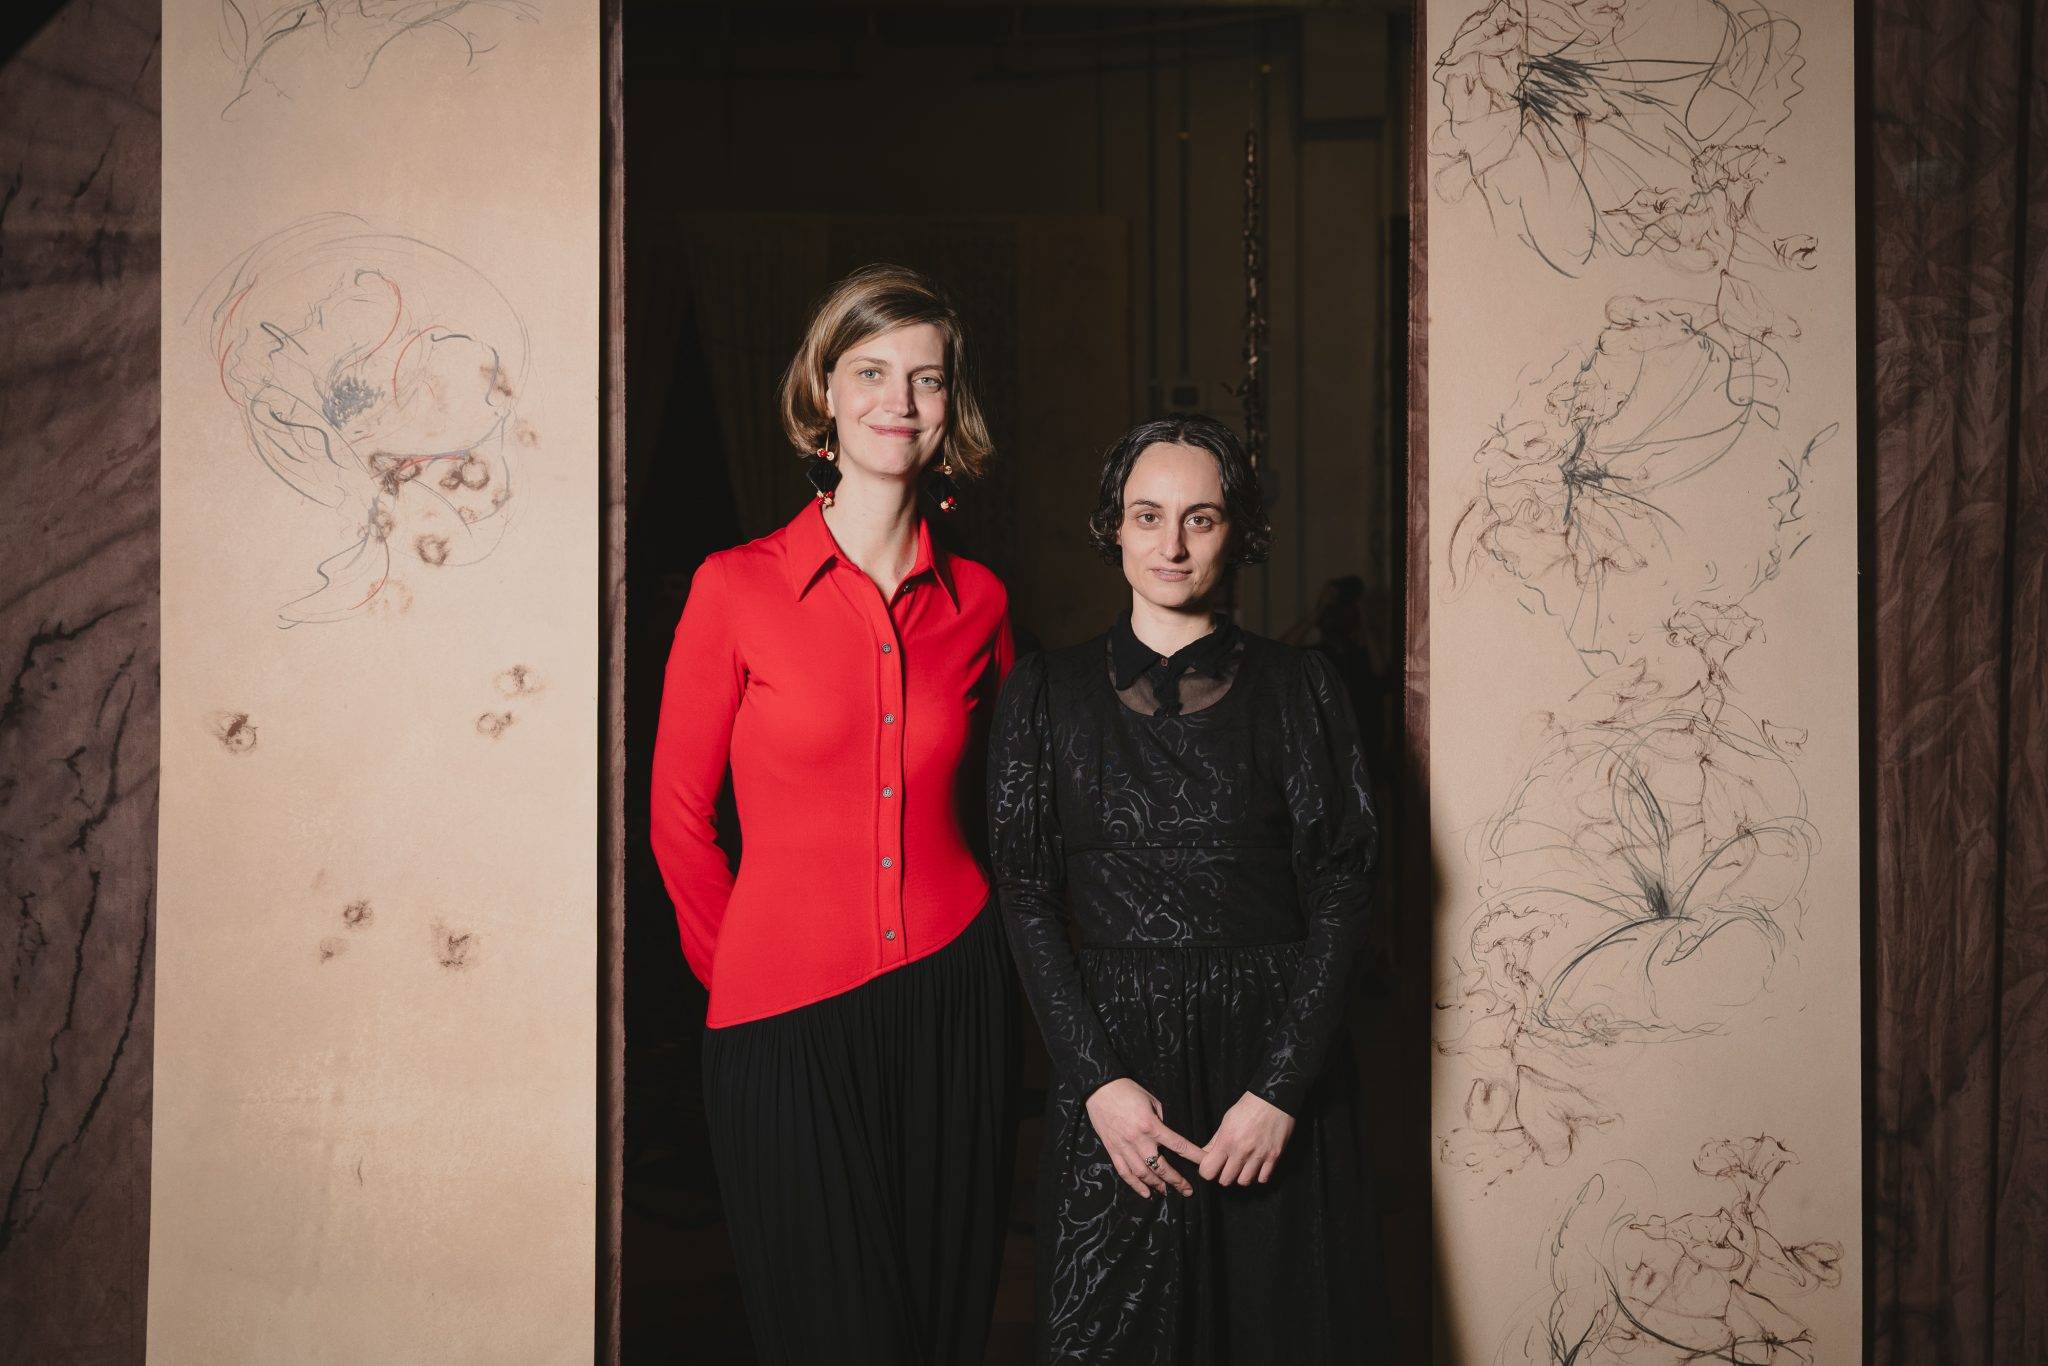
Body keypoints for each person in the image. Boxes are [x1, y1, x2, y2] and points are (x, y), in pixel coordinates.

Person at [650, 264, 1018, 1364]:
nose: (898, 399)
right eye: (869, 371)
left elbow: (1012, 813)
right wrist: (744, 977)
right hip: (781, 1019)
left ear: (951, 406)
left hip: (957, 1004)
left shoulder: (983, 603)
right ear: (822, 391)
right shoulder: (734, 586)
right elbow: (677, 816)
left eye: (926, 378)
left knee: (941, 1331)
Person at [988, 414, 1382, 1363]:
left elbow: (1345, 888)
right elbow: (1026, 893)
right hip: (1117, 1068)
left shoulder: (1302, 687)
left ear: (1236, 532)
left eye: (1199, 519)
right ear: (1113, 528)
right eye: (1147, 515)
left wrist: (1281, 1090)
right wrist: (1095, 1081)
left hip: (1270, 1064)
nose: (1171, 544)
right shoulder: (1043, 693)